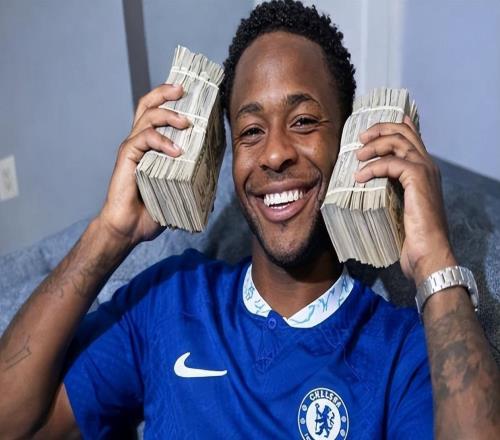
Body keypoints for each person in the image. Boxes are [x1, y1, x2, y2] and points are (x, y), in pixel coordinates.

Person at [0, 1, 499, 438]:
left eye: (303, 121)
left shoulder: (403, 348)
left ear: (349, 139)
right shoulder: (169, 300)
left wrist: (436, 264)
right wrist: (110, 234)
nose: (275, 153)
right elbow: (14, 422)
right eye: (251, 130)